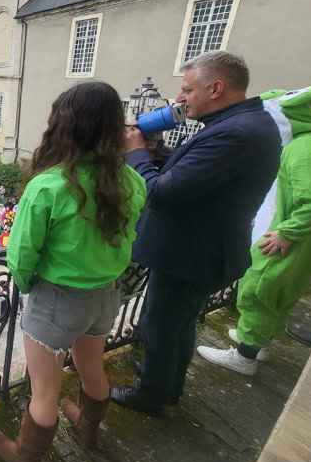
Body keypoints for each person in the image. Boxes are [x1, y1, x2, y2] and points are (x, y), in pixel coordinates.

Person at [0, 82, 145, 462]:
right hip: (106, 295)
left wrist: (28, 287)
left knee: (45, 389)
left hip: (58, 299)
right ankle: (88, 429)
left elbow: (21, 257)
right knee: (93, 368)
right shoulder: (132, 179)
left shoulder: (49, 186)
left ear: (64, 125)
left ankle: (27, 458)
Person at [111, 51, 281, 416]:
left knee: (160, 326)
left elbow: (160, 194)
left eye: (187, 89)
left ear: (216, 87)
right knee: (179, 325)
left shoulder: (235, 133)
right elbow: (197, 176)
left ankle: (152, 396)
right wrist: (156, 153)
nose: (179, 98)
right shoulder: (244, 123)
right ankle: (166, 380)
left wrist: (136, 153)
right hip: (205, 250)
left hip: (189, 254)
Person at [197, 85, 311, 374]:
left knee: (258, 288)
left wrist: (288, 232)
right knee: (280, 292)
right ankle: (258, 342)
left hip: (291, 238)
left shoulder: (303, 148)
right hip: (309, 239)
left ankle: (245, 357)